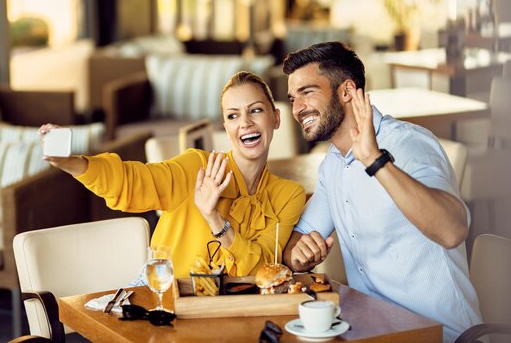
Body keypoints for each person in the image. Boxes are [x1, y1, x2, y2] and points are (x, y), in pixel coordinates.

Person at [281, 42, 481, 343]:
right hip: (375, 332)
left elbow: (453, 230)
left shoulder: (409, 145)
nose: (297, 109)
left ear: (347, 92)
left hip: (442, 336)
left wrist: (376, 161)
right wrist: (298, 255)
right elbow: (296, 241)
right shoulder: (332, 166)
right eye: (293, 98)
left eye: (307, 92)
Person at [40, 71, 306, 278]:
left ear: (276, 118)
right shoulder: (196, 167)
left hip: (232, 311)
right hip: (168, 303)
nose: (245, 123)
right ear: (226, 128)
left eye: (256, 110)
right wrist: (72, 162)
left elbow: (261, 267)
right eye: (233, 116)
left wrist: (214, 218)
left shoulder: (288, 195)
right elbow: (134, 182)